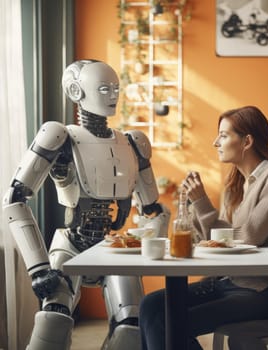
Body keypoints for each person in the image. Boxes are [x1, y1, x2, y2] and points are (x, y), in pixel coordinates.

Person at [2, 59, 170, 350]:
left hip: (113, 248)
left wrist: (149, 243)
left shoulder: (132, 142)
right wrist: (39, 268)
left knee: (130, 327)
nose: (113, 95)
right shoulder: (60, 137)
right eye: (104, 88)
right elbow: (15, 199)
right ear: (76, 91)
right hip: (71, 244)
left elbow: (152, 209)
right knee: (52, 320)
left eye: (116, 88)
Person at [139, 105, 268, 350]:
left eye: (224, 135)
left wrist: (202, 202)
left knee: (171, 322)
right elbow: (217, 239)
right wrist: (197, 205)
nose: (216, 142)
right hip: (229, 282)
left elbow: (248, 237)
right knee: (150, 306)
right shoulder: (235, 183)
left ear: (247, 141)